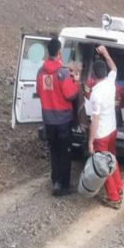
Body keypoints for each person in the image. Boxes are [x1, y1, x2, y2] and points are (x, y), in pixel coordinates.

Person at [36, 37, 79, 196]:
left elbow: (40, 92)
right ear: (59, 52)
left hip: (48, 121)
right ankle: (65, 186)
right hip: (63, 121)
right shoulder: (62, 72)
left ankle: (56, 182)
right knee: (65, 152)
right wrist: (76, 82)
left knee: (54, 151)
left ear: (48, 52)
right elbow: (71, 95)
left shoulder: (40, 72)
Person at [88, 45, 123, 209]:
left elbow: (95, 119)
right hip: (112, 130)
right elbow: (114, 67)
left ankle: (114, 198)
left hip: (101, 133)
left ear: (94, 75)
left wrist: (90, 141)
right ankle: (119, 188)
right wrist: (106, 54)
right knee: (112, 160)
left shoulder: (95, 93)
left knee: (104, 166)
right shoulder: (110, 82)